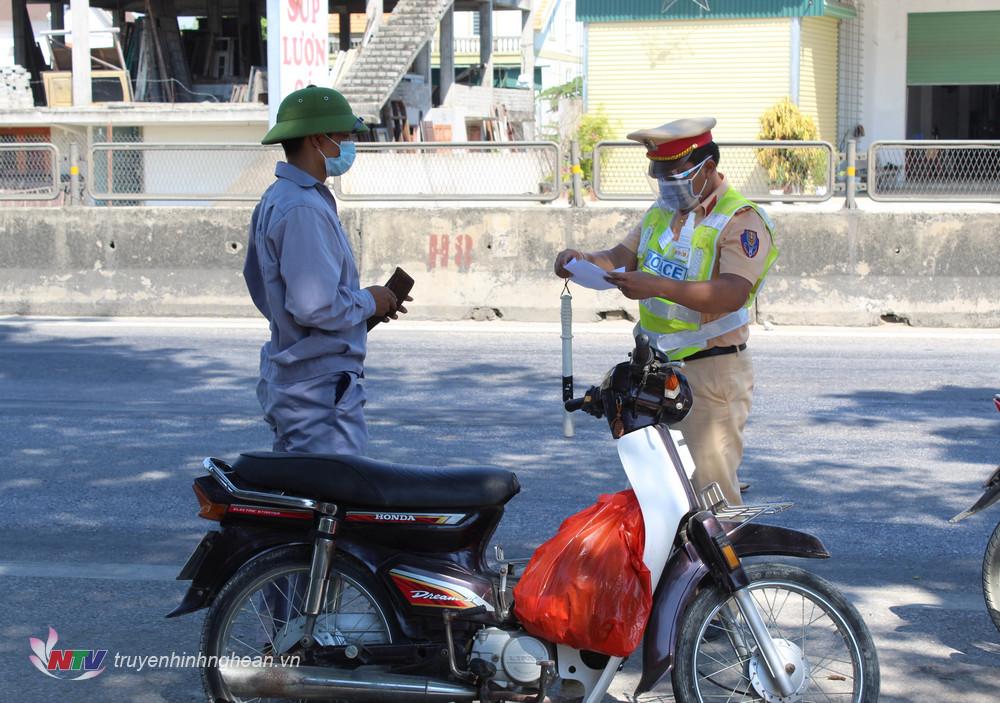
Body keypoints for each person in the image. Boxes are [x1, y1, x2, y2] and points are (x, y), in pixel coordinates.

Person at [553, 118, 777, 506]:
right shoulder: (662, 211)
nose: (667, 186)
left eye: (676, 175)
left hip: (710, 370)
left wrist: (657, 285)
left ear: (708, 167)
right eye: (660, 177)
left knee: (712, 492)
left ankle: (726, 549)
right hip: (656, 370)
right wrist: (582, 260)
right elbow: (621, 257)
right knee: (662, 491)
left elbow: (733, 293)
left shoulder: (741, 219)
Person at [243, 85, 408, 456]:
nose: (348, 146)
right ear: (317, 140)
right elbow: (313, 306)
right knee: (334, 488)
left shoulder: (280, 198)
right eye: (343, 137)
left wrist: (363, 308)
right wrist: (367, 301)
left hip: (301, 382)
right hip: (317, 390)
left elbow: (265, 287)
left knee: (303, 485)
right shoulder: (302, 208)